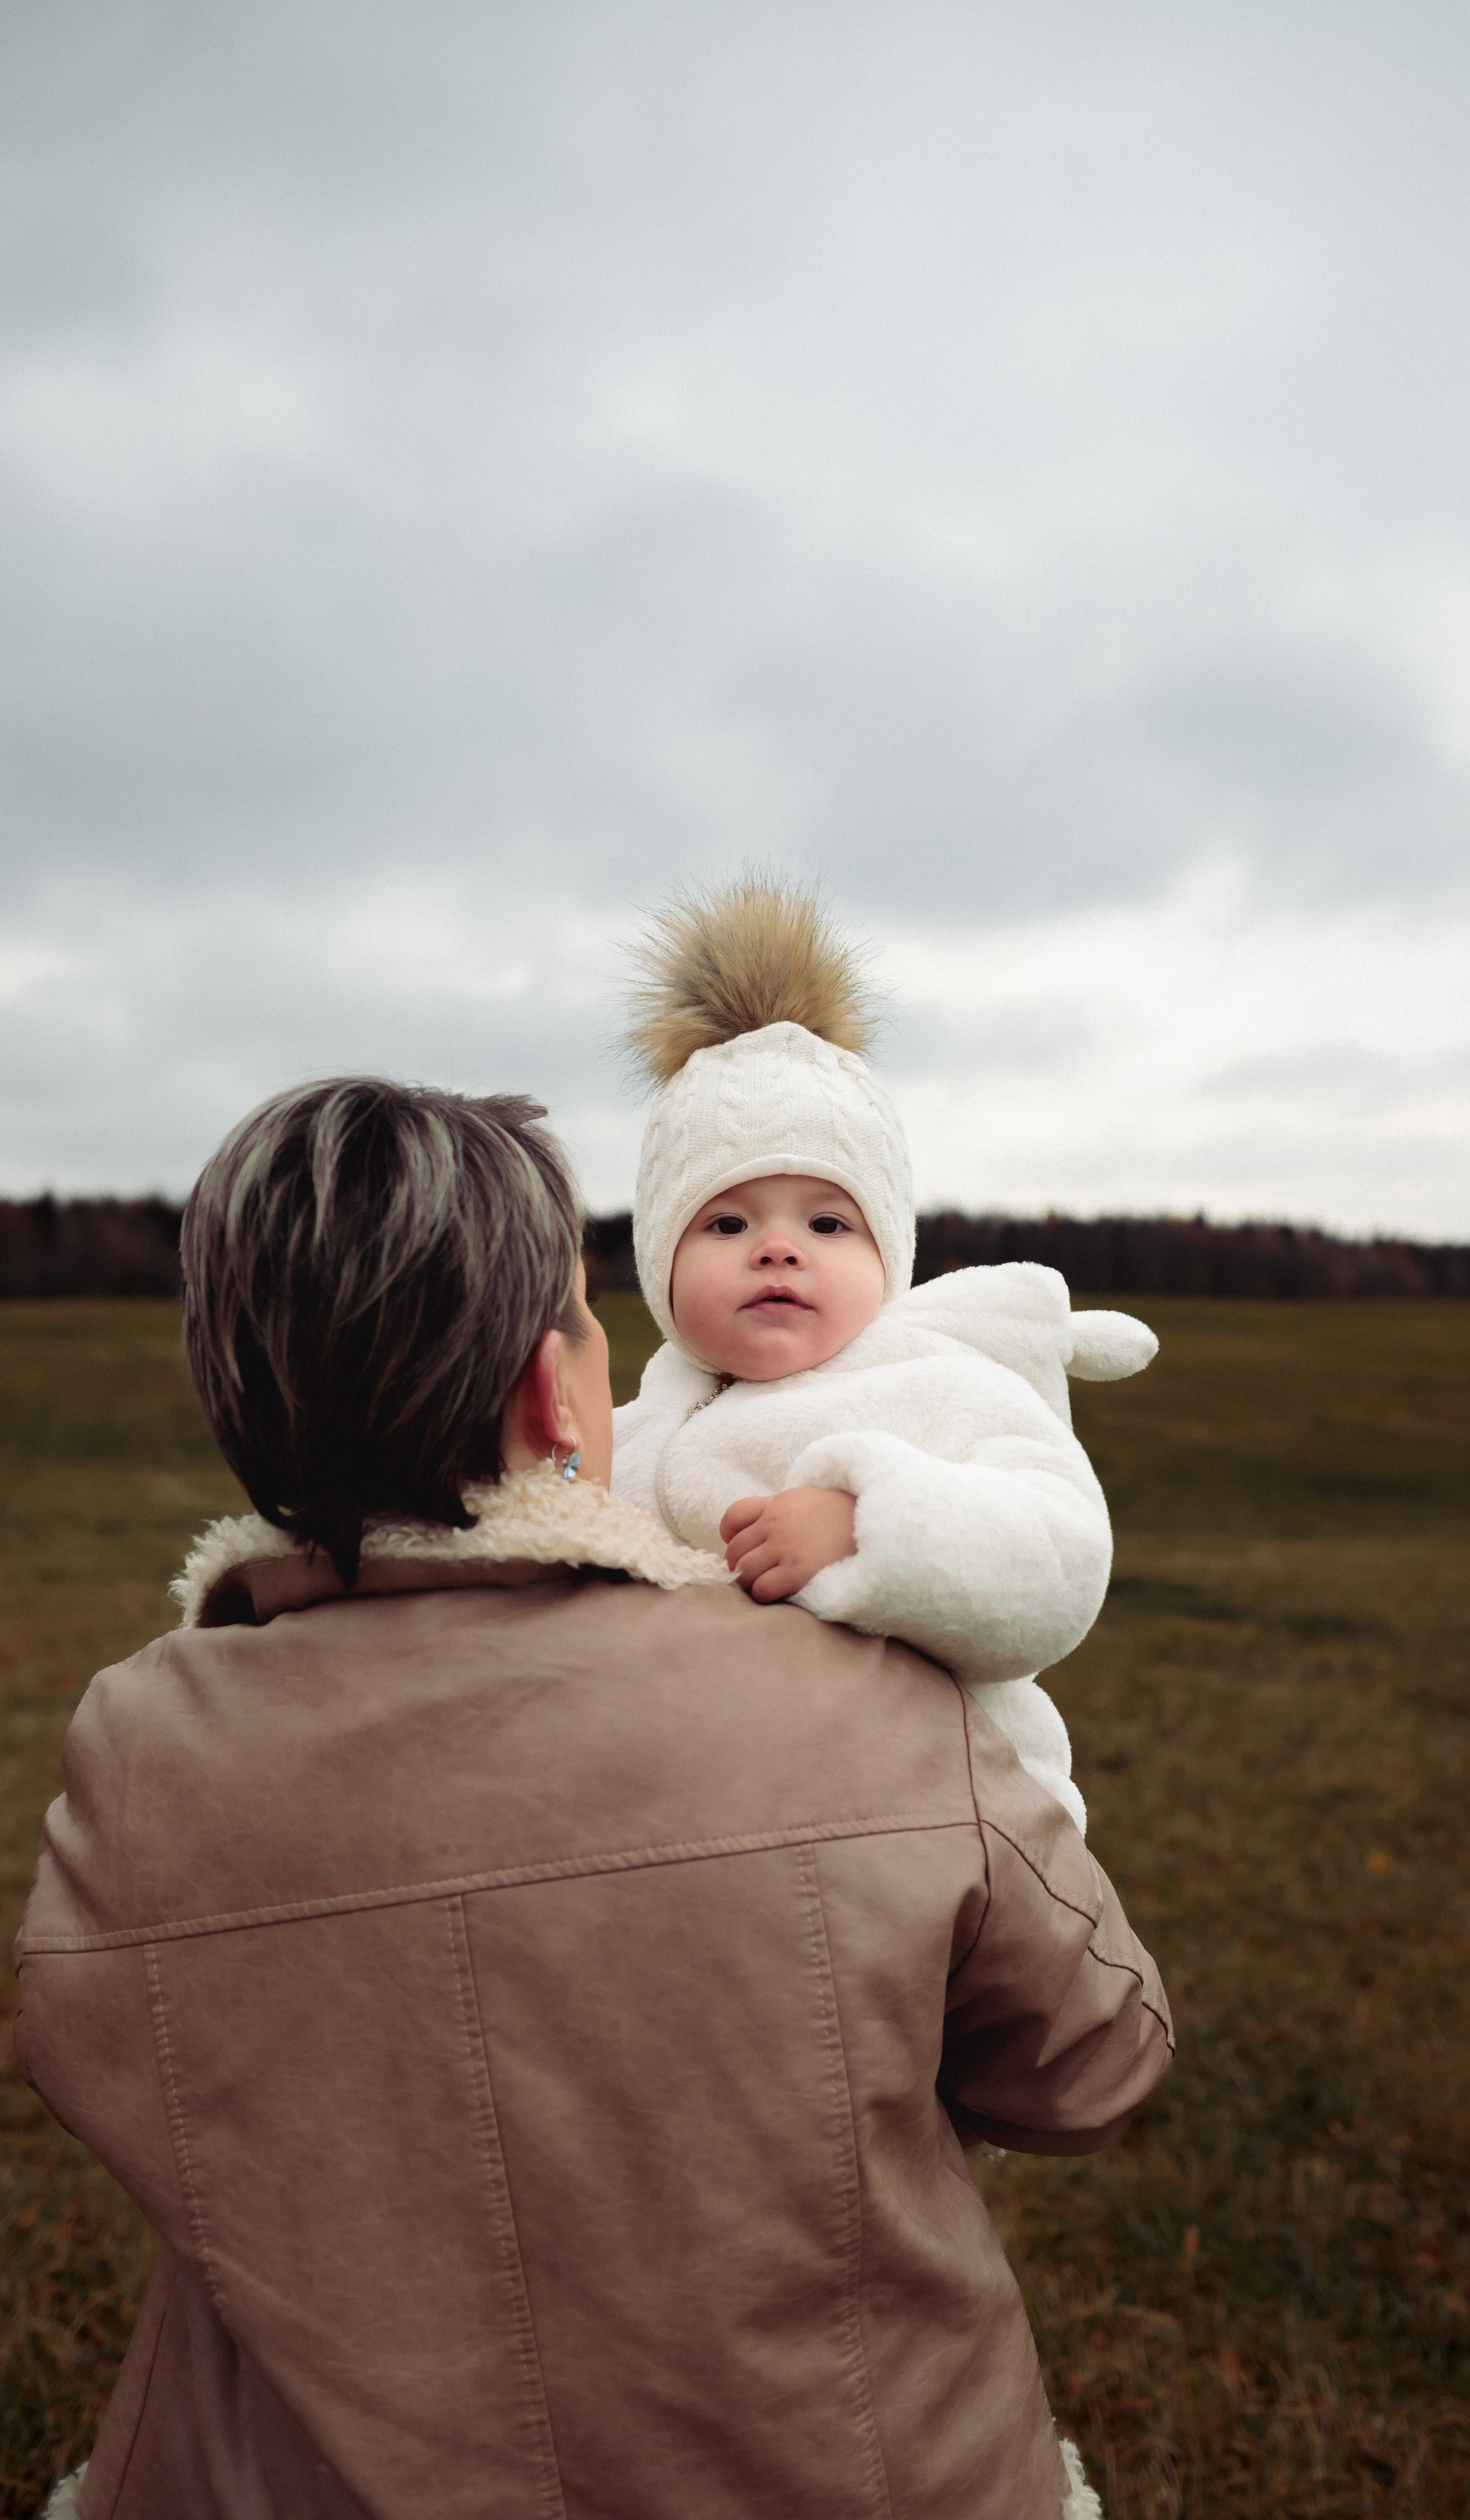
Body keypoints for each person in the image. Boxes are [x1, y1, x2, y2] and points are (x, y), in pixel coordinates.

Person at [14, 1074, 1173, 2520]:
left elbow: (103, 2067)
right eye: (580, 1311)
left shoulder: (134, 1753)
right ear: (552, 1390)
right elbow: (1088, 2066)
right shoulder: (852, 1692)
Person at [613, 876, 1159, 1831]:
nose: (778, 1247)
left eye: (828, 1220)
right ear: (659, 1261)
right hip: (722, 1842)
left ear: (889, 1257)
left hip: (960, 1833)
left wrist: (871, 1527)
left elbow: (1060, 1558)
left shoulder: (941, 1387)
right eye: (727, 1220)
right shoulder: (635, 1429)